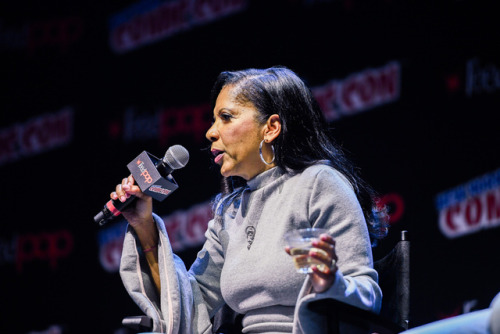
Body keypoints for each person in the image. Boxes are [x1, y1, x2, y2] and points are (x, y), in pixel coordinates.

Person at [113, 67, 389, 334]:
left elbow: (366, 294)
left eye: (226, 117)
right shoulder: (230, 211)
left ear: (270, 128)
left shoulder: (318, 183)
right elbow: (189, 308)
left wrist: (331, 283)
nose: (211, 132)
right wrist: (144, 225)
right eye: (213, 119)